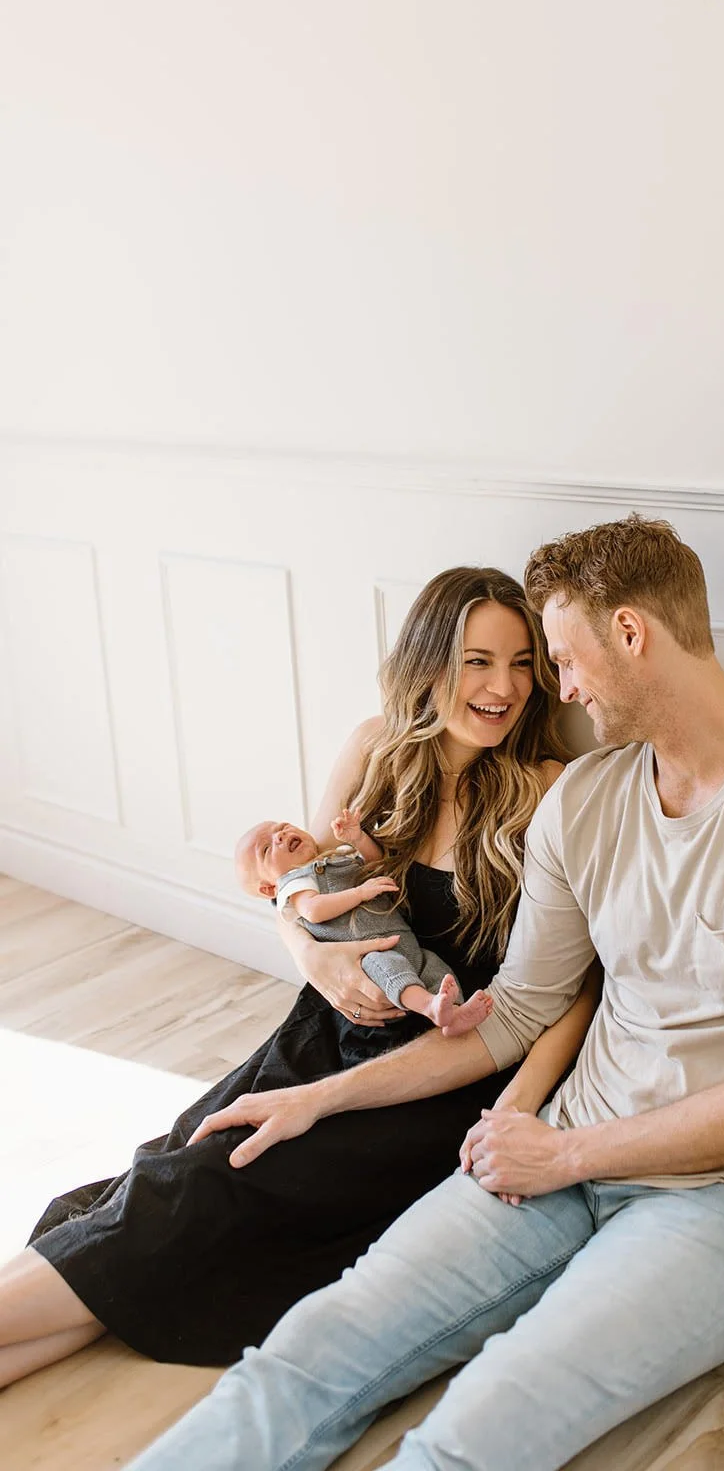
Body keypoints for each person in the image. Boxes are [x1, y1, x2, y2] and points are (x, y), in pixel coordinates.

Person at [127, 514, 724, 1471]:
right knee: (306, 1353)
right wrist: (316, 1097)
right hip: (555, 1149)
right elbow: (522, 1010)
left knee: (477, 1428)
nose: (557, 692)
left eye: (561, 659)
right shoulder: (586, 799)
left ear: (629, 635)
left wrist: (566, 1152)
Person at [0, 566, 593, 1388]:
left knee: (208, 1188)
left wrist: (516, 1110)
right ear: (428, 661)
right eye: (476, 660)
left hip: (437, 1079)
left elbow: (575, 989)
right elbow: (300, 894)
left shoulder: (552, 791)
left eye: (523, 662)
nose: (503, 687)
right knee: (166, 1168)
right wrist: (311, 958)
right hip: (325, 1031)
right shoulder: (373, 747)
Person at [235, 810, 495, 1035]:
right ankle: (429, 1006)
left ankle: (456, 1014)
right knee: (390, 970)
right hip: (370, 953)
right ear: (270, 888)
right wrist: (359, 893)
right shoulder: (295, 883)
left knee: (436, 970)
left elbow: (377, 865)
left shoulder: (337, 857)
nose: (279, 835)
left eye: (281, 827)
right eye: (267, 849)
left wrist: (358, 839)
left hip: (405, 942)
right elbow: (314, 911)